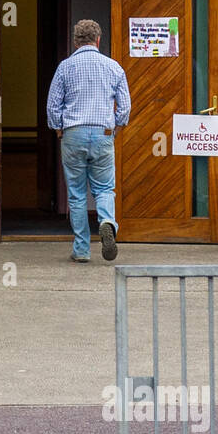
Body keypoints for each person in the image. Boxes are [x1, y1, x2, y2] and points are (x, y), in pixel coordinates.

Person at [45, 19, 131, 263]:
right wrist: (115, 128)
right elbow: (124, 107)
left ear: (75, 42)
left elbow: (53, 105)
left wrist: (58, 128)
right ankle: (106, 222)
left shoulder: (65, 67)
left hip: (73, 133)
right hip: (102, 133)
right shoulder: (113, 67)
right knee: (104, 188)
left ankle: (82, 249)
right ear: (98, 40)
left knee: (76, 193)